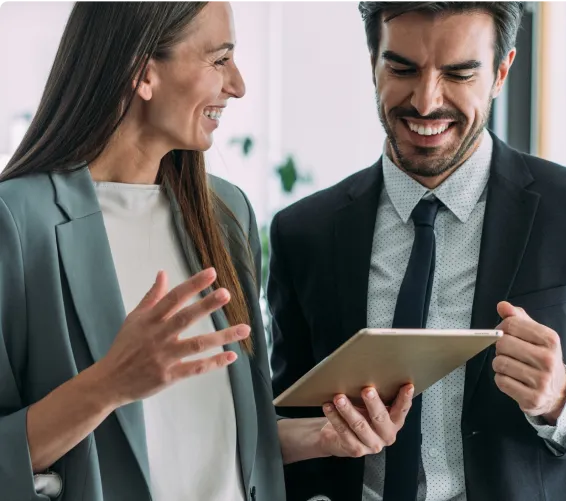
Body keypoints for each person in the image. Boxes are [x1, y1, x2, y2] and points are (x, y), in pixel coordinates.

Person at [268, 1, 566, 500]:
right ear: (373, 63)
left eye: (459, 73)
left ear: (501, 71)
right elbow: (286, 422)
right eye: (402, 68)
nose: (425, 101)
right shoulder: (303, 232)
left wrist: (563, 398)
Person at [0, 1, 412, 500]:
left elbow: (214, 440)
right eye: (219, 60)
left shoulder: (224, 214)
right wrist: (108, 384)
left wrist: (320, 436)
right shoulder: (17, 223)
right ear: (141, 72)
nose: (237, 85)